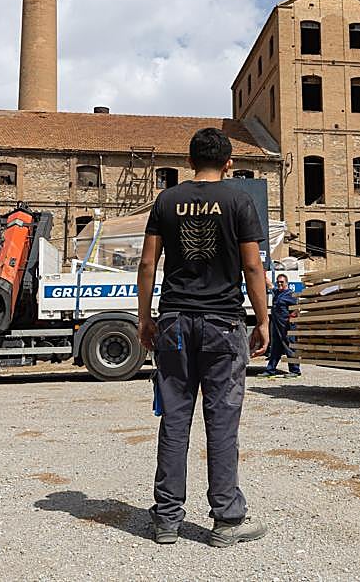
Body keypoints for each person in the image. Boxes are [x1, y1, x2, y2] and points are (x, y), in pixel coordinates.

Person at [137, 127, 270, 548]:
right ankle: (226, 521)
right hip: (222, 323)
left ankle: (166, 521)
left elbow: (146, 264)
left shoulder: (167, 201)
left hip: (174, 322)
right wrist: (263, 320)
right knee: (222, 421)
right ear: (229, 163)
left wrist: (144, 318)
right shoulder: (239, 200)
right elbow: (252, 268)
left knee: (175, 420)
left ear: (189, 161)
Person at [258, 274, 301, 379]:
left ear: (287, 283)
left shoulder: (290, 294)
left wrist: (293, 315)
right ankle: (270, 370)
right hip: (277, 327)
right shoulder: (277, 293)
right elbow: (270, 285)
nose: (279, 284)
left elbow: (298, 307)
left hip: (287, 327)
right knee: (275, 349)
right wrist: (262, 274)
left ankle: (295, 371)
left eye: (282, 282)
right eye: (278, 282)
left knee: (290, 347)